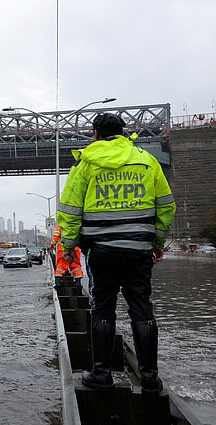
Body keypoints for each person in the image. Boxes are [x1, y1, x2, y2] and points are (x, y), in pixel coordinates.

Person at [57, 113, 176, 394]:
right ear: (124, 133)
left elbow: (70, 210)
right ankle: (149, 379)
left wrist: (69, 247)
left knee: (103, 309)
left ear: (95, 134)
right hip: (138, 251)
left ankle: (101, 374)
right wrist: (157, 242)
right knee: (142, 309)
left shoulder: (86, 163)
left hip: (102, 251)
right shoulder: (146, 161)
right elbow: (166, 206)